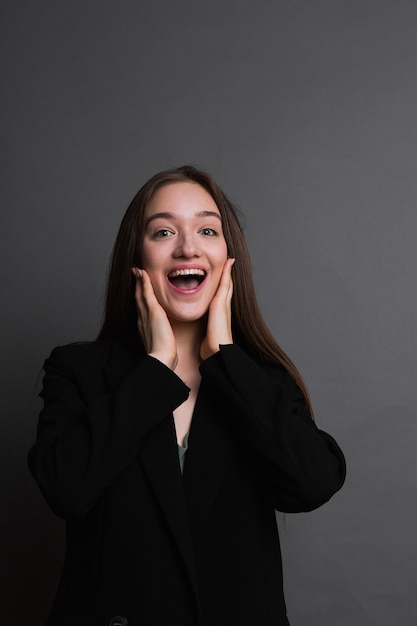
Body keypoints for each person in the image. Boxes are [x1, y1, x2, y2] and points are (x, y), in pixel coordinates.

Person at [28, 165, 346, 626]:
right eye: (162, 231)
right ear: (136, 258)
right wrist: (157, 366)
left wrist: (226, 359)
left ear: (227, 257)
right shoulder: (78, 371)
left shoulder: (262, 380)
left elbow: (312, 484)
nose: (187, 247)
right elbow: (65, 490)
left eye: (206, 229)